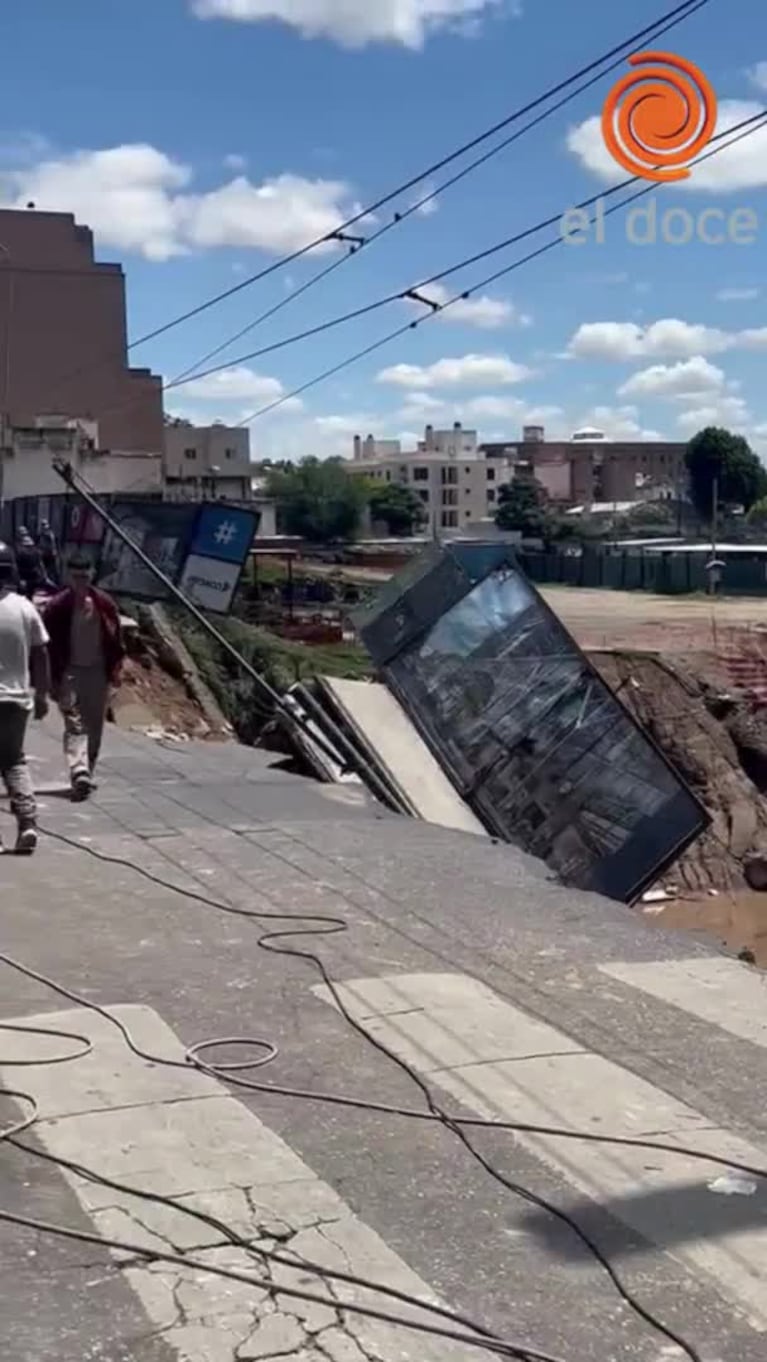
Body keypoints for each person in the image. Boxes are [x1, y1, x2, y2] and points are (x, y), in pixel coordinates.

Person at [43, 554, 125, 800]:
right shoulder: (58, 607)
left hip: (97, 672)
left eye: (85, 577)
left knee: (94, 727)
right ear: (69, 577)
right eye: (76, 577)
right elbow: (46, 645)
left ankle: (86, 771)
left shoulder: (104, 604)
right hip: (69, 672)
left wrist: (116, 671)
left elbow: (116, 640)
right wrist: (49, 679)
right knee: (74, 723)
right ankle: (78, 771)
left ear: (92, 576)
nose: (80, 582)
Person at [0, 542, 50, 854]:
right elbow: (41, 652)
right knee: (13, 760)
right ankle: (28, 824)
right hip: (17, 701)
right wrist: (43, 695)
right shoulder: (24, 607)